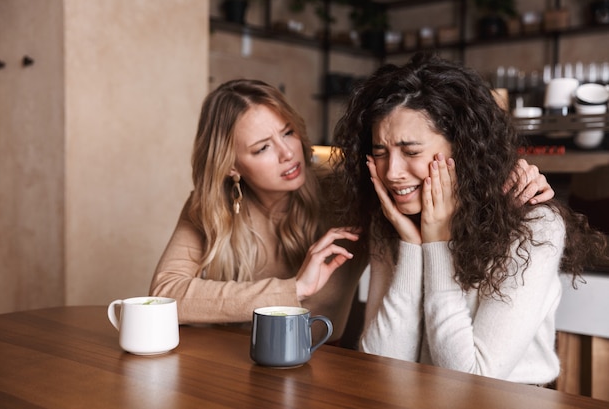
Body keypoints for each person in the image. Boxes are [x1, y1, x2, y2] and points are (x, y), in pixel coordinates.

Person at [149, 78, 555, 344]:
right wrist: (294, 289)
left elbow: (426, 182)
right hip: (218, 367)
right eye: (262, 148)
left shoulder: (346, 190)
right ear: (232, 166)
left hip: (314, 370)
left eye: (287, 131)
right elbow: (165, 294)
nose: (289, 152)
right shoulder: (210, 204)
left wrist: (508, 174)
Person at [331, 52, 606, 383]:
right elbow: (383, 367)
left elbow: (470, 382)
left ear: (462, 148)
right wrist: (412, 246)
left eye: (411, 152)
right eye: (380, 152)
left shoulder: (532, 225)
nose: (393, 172)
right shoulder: (391, 220)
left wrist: (437, 244)